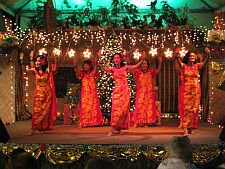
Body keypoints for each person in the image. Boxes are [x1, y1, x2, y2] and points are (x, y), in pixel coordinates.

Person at [103, 52, 144, 136]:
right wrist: (101, 57)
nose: (116, 60)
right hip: (117, 92)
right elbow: (104, 68)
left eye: (118, 58)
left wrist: (142, 59)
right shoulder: (112, 69)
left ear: (121, 59)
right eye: (114, 58)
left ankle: (120, 128)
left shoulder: (125, 67)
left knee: (124, 111)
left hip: (125, 91)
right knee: (116, 111)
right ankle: (113, 128)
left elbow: (135, 66)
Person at [174, 48, 210, 136]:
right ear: (187, 57)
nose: (192, 57)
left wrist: (208, 54)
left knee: (194, 109)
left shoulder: (197, 66)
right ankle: (185, 128)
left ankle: (190, 127)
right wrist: (177, 56)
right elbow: (179, 62)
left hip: (196, 91)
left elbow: (205, 63)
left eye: (193, 56)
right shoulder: (184, 66)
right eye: (190, 56)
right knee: (186, 109)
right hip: (185, 91)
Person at [27, 51, 57, 135]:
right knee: (37, 111)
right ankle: (33, 129)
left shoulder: (47, 70)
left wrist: (49, 60)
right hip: (38, 93)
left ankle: (42, 128)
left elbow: (50, 69)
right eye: (36, 61)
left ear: (43, 62)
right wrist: (30, 58)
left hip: (47, 93)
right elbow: (27, 70)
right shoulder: (34, 70)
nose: (37, 62)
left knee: (46, 111)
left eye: (39, 61)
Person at [132, 57, 162, 127]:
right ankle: (137, 122)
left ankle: (146, 122)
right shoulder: (138, 72)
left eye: (145, 64)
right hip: (141, 92)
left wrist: (160, 63)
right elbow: (132, 70)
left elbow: (157, 71)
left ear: (147, 65)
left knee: (148, 108)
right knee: (139, 107)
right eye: (142, 64)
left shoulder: (150, 72)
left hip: (149, 93)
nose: (144, 65)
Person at [74, 59, 104, 127]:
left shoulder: (93, 73)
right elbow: (77, 72)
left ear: (90, 66)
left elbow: (96, 71)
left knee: (93, 108)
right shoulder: (82, 73)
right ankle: (85, 122)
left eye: (87, 65)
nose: (85, 66)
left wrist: (96, 63)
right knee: (85, 108)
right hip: (85, 94)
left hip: (92, 94)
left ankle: (95, 122)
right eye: (84, 65)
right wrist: (75, 66)